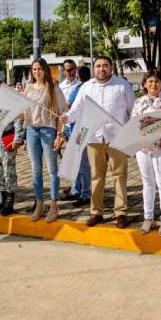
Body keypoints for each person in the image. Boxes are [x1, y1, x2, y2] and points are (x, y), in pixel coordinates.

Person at [64, 56, 136, 228]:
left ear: (111, 68)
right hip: (94, 137)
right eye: (98, 66)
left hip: (117, 138)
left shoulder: (122, 85)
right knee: (97, 176)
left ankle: (121, 212)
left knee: (119, 176)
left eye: (105, 66)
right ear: (93, 68)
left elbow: (133, 110)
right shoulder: (86, 87)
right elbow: (76, 109)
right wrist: (66, 117)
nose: (101, 69)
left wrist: (132, 137)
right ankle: (96, 212)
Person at [133, 70, 161, 237]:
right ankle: (148, 217)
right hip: (143, 148)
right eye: (150, 81)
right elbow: (134, 124)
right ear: (144, 84)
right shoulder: (138, 102)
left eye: (157, 81)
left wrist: (149, 125)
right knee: (147, 183)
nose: (153, 84)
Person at [23, 58, 66, 222]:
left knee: (52, 170)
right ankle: (39, 205)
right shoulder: (28, 89)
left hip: (48, 131)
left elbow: (61, 114)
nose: (36, 72)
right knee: (36, 170)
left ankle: (54, 206)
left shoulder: (53, 88)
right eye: (34, 69)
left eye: (39, 69)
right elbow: (23, 112)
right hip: (31, 130)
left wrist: (59, 135)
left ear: (45, 70)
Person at [0, 71, 25, 216]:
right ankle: (1, 199)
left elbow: (18, 119)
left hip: (7, 138)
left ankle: (10, 201)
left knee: (9, 170)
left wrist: (17, 138)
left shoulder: (10, 99)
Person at [63, 66, 92, 207]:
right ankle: (78, 190)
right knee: (81, 164)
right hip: (84, 129)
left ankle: (85, 194)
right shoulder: (91, 87)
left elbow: (69, 105)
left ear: (78, 77)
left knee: (83, 164)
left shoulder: (80, 88)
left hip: (80, 131)